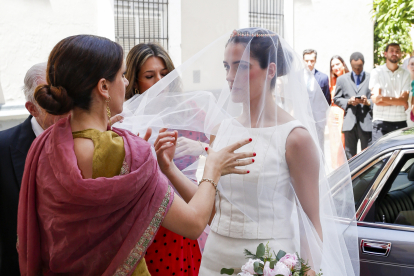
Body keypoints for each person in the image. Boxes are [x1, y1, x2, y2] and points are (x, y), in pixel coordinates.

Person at [117, 28, 359, 276]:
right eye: (226, 67)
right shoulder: (221, 130)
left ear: (271, 71)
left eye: (241, 67)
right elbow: (210, 211)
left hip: (271, 262)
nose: (230, 76)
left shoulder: (295, 138)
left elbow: (310, 220)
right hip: (215, 259)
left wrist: (308, 271)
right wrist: (169, 167)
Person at [17, 35, 254, 275]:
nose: (127, 81)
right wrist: (212, 167)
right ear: (103, 87)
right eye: (121, 75)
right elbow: (194, 224)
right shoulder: (127, 152)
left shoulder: (45, 144)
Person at [124, 42, 207, 275]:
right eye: (150, 76)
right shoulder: (127, 117)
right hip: (144, 216)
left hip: (185, 210)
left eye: (165, 74)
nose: (160, 83)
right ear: (134, 81)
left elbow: (219, 148)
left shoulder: (190, 110)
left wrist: (200, 147)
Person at [0, 63, 69, 276]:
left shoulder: (91, 140)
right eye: (50, 101)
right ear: (31, 108)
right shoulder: (3, 148)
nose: (63, 108)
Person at [370, 43, 411, 143]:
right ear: (385, 54)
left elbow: (404, 99)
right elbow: (376, 100)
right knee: (379, 156)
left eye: (397, 51)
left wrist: (382, 98)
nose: (395, 53)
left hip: (400, 121)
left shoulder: (406, 74)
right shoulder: (377, 72)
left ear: (401, 54)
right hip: (380, 120)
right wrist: (400, 102)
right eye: (391, 50)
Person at [334, 52, 372, 159]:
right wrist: (348, 102)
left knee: (368, 155)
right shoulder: (342, 79)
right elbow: (336, 99)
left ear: (363, 64)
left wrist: (367, 102)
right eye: (354, 67)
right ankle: (352, 176)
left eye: (359, 67)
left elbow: (376, 99)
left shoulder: (371, 77)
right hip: (349, 123)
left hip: (366, 123)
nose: (357, 70)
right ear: (350, 65)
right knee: (350, 156)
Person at [328, 55, 349, 169]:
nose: (335, 67)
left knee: (348, 145)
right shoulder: (331, 82)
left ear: (343, 64)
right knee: (336, 145)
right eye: (333, 66)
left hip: (348, 114)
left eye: (337, 64)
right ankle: (337, 171)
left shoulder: (350, 78)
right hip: (335, 116)